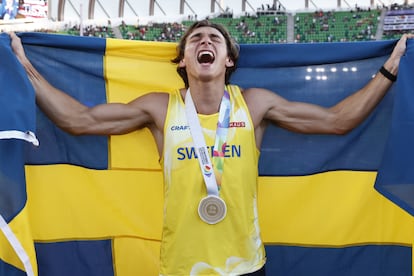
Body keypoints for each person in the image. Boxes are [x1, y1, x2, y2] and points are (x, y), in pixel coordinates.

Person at [9, 20, 413, 276]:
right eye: (196, 39)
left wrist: (390, 68)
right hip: (182, 268)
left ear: (227, 59)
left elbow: (337, 121)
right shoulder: (160, 106)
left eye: (214, 38)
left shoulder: (254, 104)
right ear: (183, 61)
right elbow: (80, 121)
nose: (205, 42)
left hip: (247, 265)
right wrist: (23, 67)